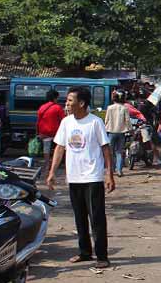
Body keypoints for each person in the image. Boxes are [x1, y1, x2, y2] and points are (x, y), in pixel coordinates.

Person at [46, 87, 115, 268]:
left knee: (97, 217)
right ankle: (85, 252)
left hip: (92, 177)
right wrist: (52, 172)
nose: (66, 104)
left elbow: (105, 148)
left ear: (82, 103)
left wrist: (109, 174)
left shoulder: (95, 123)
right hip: (74, 177)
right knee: (79, 217)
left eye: (70, 100)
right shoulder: (66, 122)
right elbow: (60, 147)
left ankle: (102, 256)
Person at [104, 91, 131, 178]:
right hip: (121, 133)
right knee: (119, 152)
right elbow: (127, 121)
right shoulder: (124, 108)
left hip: (111, 132)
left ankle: (111, 169)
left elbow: (106, 120)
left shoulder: (109, 108)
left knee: (110, 152)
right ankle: (119, 170)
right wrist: (130, 129)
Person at [36, 89, 64, 173]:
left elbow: (38, 121)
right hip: (56, 132)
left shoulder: (42, 107)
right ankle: (54, 164)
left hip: (44, 132)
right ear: (55, 98)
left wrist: (38, 132)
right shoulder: (58, 107)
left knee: (46, 149)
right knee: (57, 148)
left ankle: (47, 164)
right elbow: (63, 120)